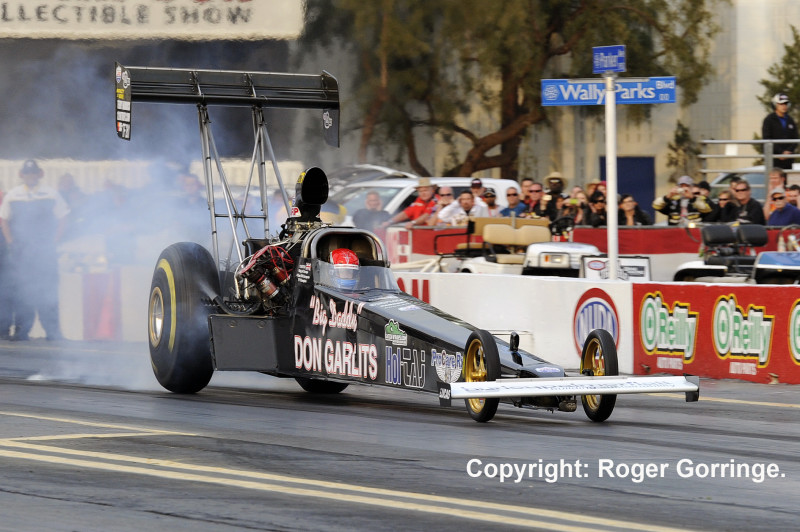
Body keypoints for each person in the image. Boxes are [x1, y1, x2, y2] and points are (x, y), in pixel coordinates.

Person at [0, 160, 69, 341]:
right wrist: (11, 242)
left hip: (45, 252)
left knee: (48, 291)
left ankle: (53, 333)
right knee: (23, 292)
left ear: (40, 174)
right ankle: (22, 332)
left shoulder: (51, 194)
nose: (30, 176)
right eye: (27, 173)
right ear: (21, 175)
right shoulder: (13, 195)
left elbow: (63, 217)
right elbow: (4, 219)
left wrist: (55, 240)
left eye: (33, 173)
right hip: (22, 253)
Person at [762, 93, 798, 170]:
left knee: (787, 177)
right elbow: (767, 138)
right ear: (775, 105)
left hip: (788, 159)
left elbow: (795, 138)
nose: (784, 106)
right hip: (774, 159)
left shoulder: (790, 120)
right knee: (774, 176)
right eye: (781, 104)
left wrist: (788, 151)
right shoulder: (769, 120)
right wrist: (780, 152)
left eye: (786, 104)